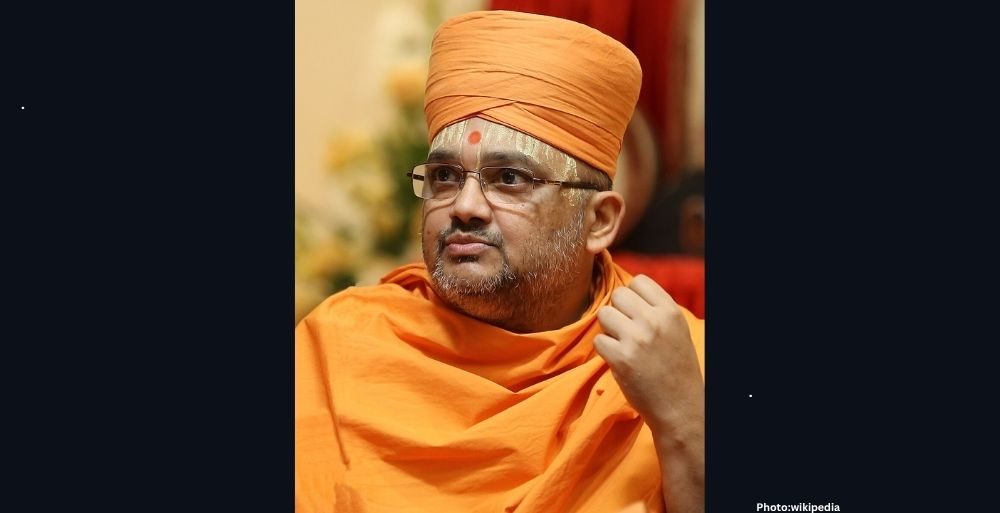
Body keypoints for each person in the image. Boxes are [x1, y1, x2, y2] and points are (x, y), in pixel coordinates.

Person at [296, 10, 705, 513]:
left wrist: (686, 425)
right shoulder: (339, 346)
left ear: (598, 221)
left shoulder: (680, 366)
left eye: (510, 178)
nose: (464, 206)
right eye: (444, 176)